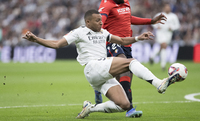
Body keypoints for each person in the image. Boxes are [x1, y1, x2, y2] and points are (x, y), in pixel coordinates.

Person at [23, 9, 178, 119]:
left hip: (101, 73)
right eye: (97, 21)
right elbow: (57, 44)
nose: (100, 23)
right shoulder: (79, 32)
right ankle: (158, 83)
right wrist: (36, 39)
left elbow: (122, 40)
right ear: (87, 21)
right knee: (130, 62)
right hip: (92, 67)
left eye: (101, 21)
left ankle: (90, 108)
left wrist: (138, 37)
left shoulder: (103, 32)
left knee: (123, 105)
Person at [96, 0, 167, 117]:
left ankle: (100, 87)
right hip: (113, 43)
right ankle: (131, 107)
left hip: (127, 44)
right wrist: (99, 34)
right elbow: (100, 23)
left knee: (125, 77)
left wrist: (150, 21)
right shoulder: (107, 4)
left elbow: (129, 19)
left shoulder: (126, 3)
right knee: (126, 67)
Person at [150, 3, 180, 71]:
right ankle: (163, 65)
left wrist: (172, 28)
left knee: (163, 47)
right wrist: (156, 26)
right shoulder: (159, 15)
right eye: (166, 7)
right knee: (164, 45)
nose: (167, 8)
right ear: (164, 8)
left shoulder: (173, 16)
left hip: (168, 34)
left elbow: (177, 25)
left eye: (168, 7)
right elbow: (153, 22)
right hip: (160, 33)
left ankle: (152, 57)